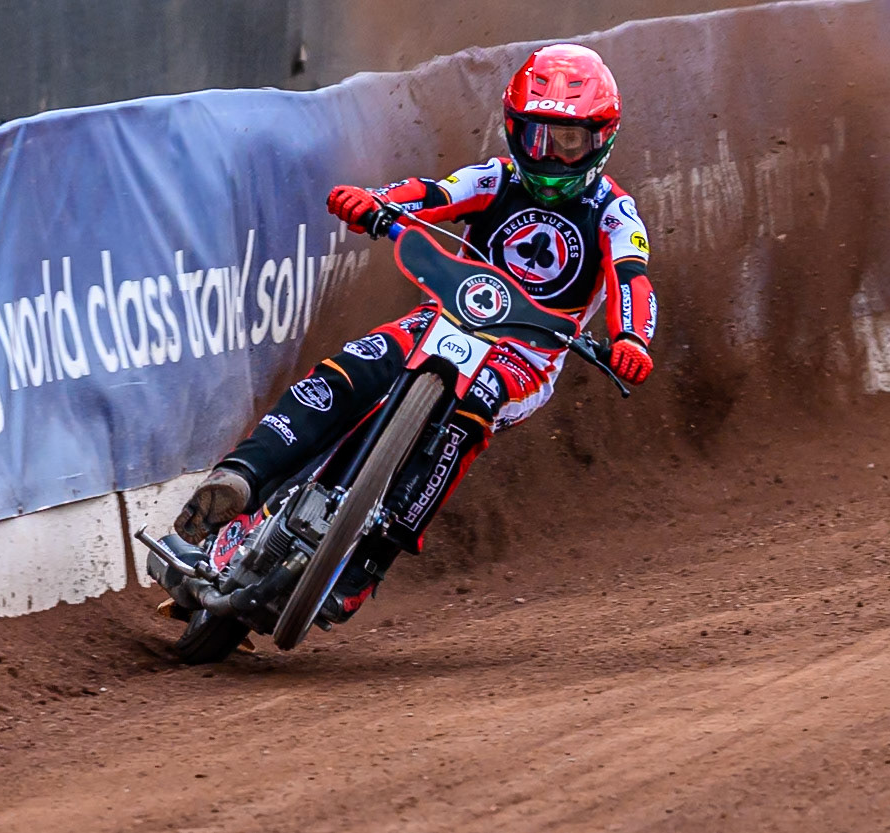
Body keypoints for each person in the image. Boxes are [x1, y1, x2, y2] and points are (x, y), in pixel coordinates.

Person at [171, 43, 657, 619]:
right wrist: (376, 203)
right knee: (353, 367)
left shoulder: (614, 211)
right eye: (537, 137)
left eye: (568, 141)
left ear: (601, 140)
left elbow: (632, 277)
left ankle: (362, 567)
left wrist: (631, 339)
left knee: (470, 410)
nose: (549, 156)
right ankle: (241, 478)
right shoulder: (496, 177)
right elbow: (436, 193)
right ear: (513, 130)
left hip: (525, 359)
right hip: (445, 319)